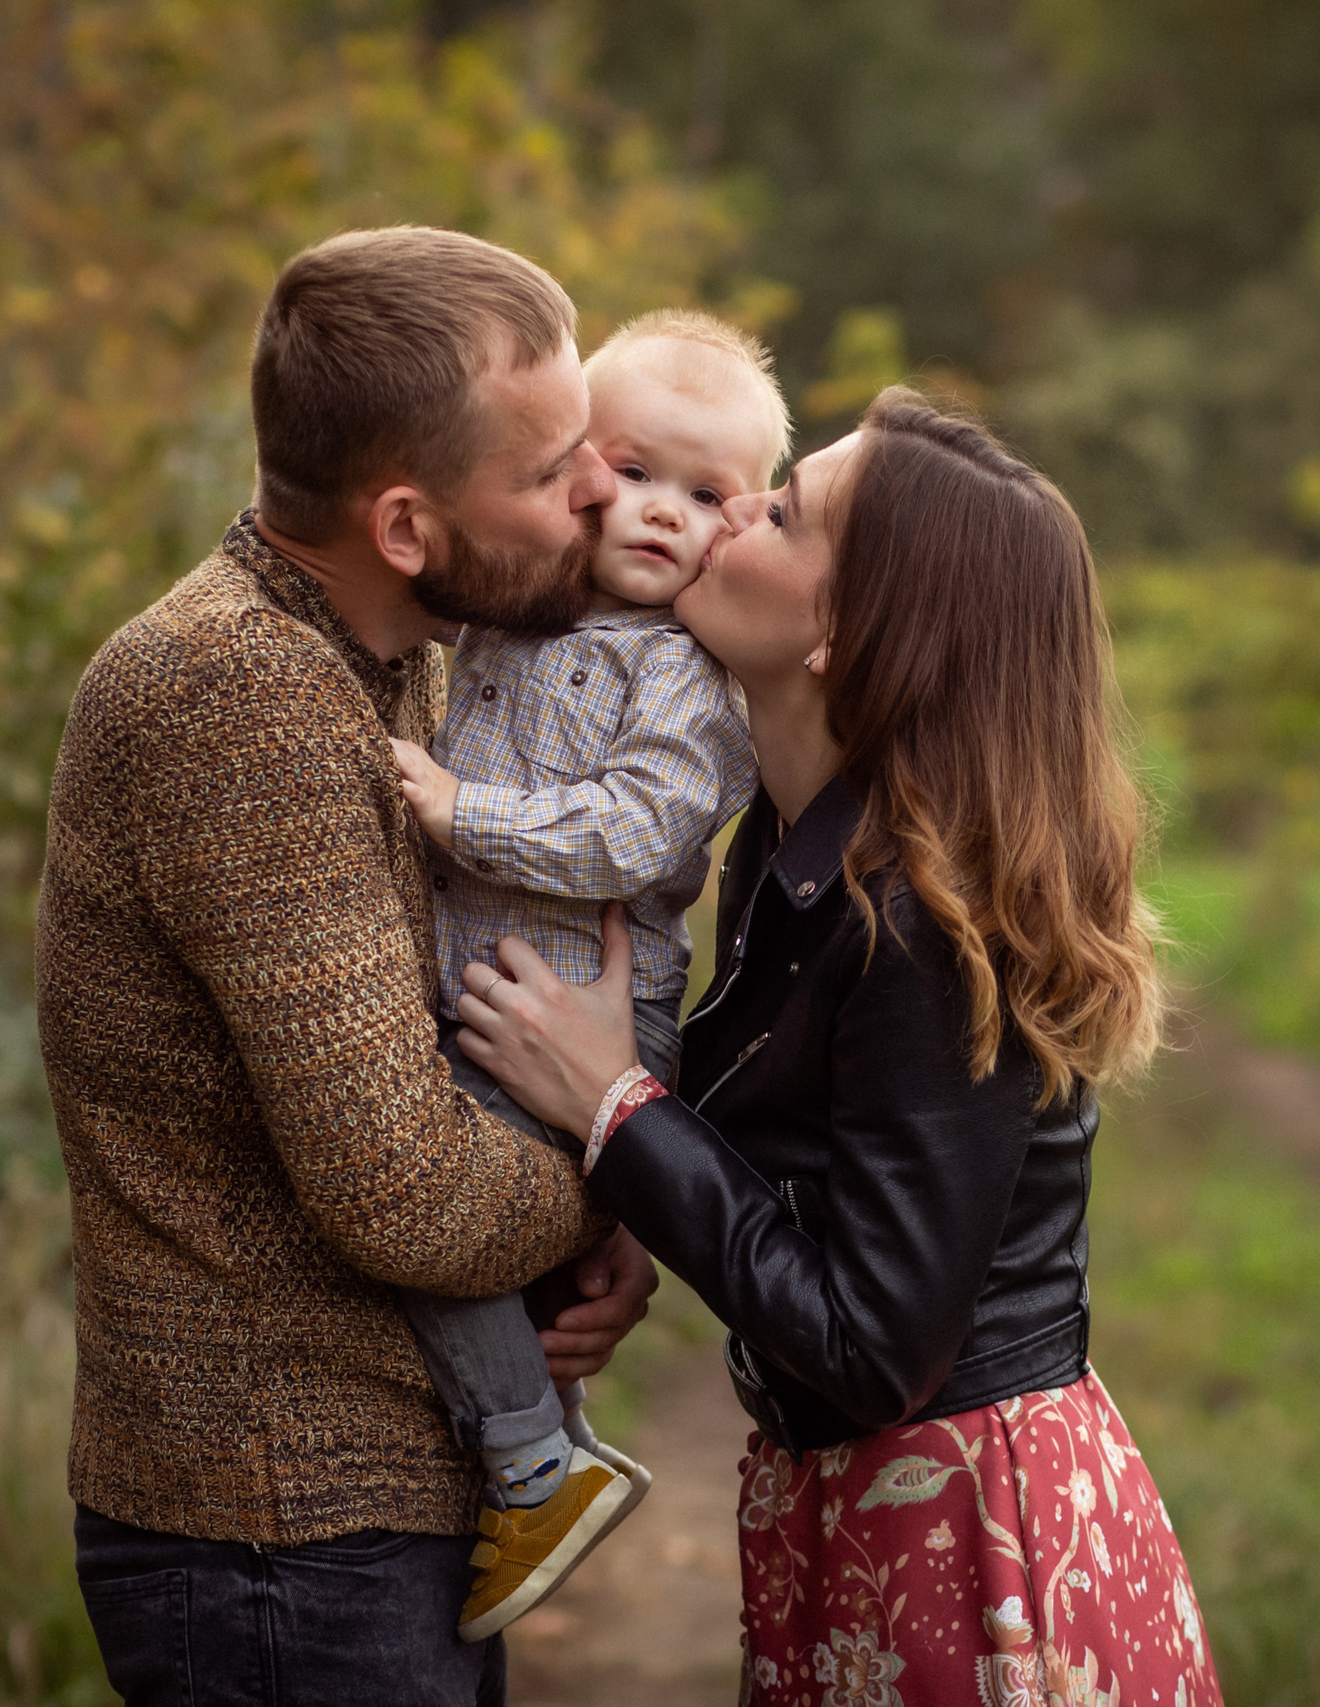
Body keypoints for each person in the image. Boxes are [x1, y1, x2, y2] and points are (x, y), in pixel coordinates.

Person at [454, 388, 1226, 1705]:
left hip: (970, 1540)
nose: (733, 508)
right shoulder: (789, 845)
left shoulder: (929, 920)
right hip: (865, 1510)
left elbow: (872, 1339)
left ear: (845, 631)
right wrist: (635, 1197)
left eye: (782, 508)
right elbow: (819, 1171)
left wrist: (621, 1111)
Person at [35, 225, 659, 1707]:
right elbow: (413, 1195)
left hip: (360, 1521)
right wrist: (628, 1153)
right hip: (279, 1539)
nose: (598, 491)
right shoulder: (239, 696)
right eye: (547, 468)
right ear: (403, 526)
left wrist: (601, 1217)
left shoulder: (393, 656)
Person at [384, 309, 782, 1640]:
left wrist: (458, 817)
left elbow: (638, 830)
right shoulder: (525, 617)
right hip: (502, 997)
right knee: (506, 1256)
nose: (666, 512)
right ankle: (545, 1437)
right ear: (574, 470)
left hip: (593, 1012)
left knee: (432, 1220)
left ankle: (532, 1466)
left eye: (710, 494)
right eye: (637, 471)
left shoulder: (683, 674)